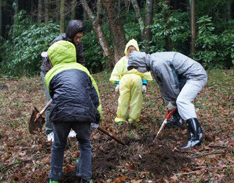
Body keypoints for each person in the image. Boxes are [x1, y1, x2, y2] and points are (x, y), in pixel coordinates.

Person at [45, 40, 102, 183]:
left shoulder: (50, 74)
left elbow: (53, 95)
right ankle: (85, 178)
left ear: (53, 57)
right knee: (85, 144)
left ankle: (54, 179)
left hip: (61, 114)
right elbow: (93, 94)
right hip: (83, 113)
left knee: (58, 145)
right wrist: (96, 117)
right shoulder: (83, 70)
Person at [128, 51, 207, 149]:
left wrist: (173, 102)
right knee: (176, 99)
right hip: (183, 77)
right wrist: (169, 101)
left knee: (182, 101)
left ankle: (196, 137)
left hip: (195, 75)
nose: (138, 70)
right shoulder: (153, 63)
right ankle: (177, 120)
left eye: (136, 67)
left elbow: (171, 84)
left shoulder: (158, 64)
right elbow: (163, 86)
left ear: (140, 62)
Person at [40, 20, 86, 141]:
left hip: (67, 73)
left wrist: (81, 76)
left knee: (68, 100)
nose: (78, 40)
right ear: (71, 34)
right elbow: (52, 63)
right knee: (53, 100)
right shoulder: (58, 42)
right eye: (77, 37)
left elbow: (80, 60)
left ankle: (68, 129)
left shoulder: (78, 44)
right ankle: (50, 132)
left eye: (80, 37)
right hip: (50, 72)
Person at [109, 39, 153, 124]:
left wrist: (144, 83)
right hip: (124, 81)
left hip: (137, 81)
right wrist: (117, 83)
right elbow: (117, 71)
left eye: (133, 48)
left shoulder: (140, 59)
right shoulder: (122, 60)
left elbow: (145, 71)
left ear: (137, 49)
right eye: (130, 48)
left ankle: (133, 118)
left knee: (136, 99)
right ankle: (121, 117)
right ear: (127, 49)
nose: (131, 50)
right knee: (123, 99)